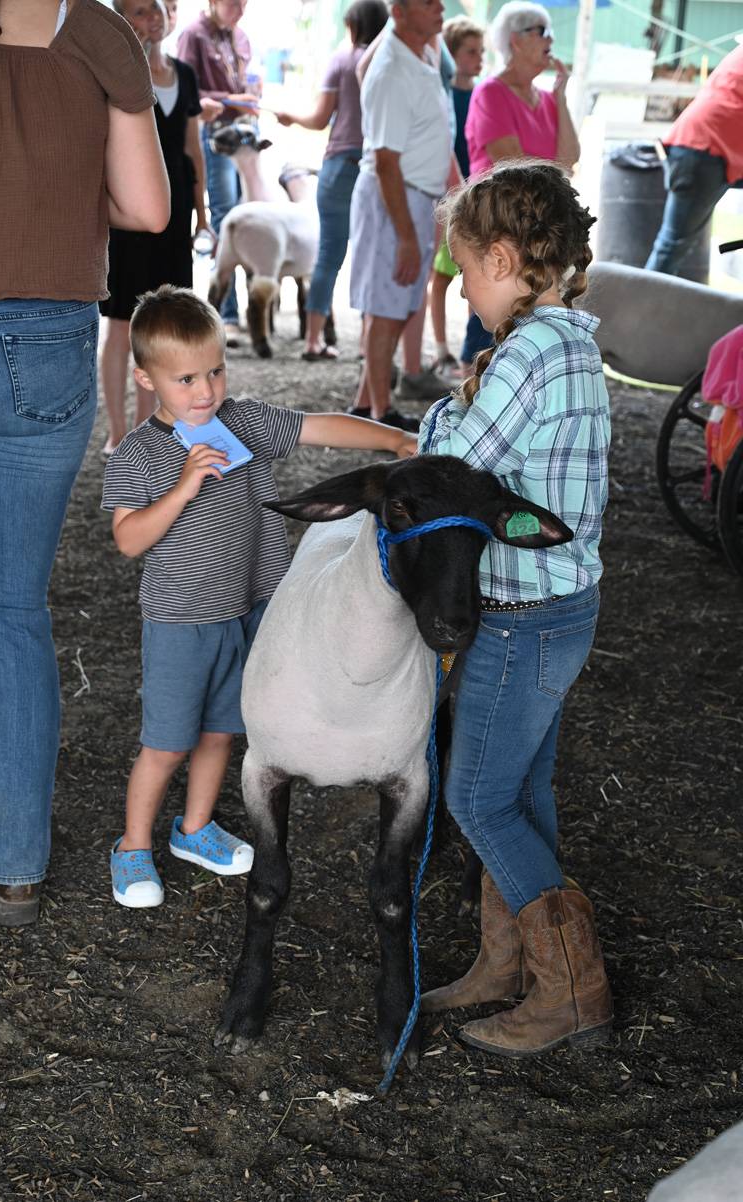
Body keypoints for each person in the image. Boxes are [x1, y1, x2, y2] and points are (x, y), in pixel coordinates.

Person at [0, 0, 170, 926]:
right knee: (10, 607)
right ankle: (12, 866)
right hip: (39, 336)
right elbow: (147, 207)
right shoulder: (98, 31)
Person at [101, 285, 416, 907]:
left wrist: (394, 442)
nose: (205, 391)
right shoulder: (138, 453)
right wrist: (183, 488)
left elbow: (319, 427)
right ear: (145, 378)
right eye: (185, 378)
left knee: (222, 732)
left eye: (215, 370)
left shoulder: (242, 420)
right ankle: (132, 845)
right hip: (180, 621)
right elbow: (128, 540)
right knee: (166, 743)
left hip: (246, 611)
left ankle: (194, 830)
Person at [418, 162, 613, 1056]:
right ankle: (508, 966)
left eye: (464, 268)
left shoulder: (531, 349)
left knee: (478, 796)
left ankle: (572, 991)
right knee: (523, 787)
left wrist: (429, 422)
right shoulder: (571, 339)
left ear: (501, 258)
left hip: (523, 609)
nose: (460, 286)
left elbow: (463, 458)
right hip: (565, 608)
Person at [100, 0, 215, 456]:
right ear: (118, 19)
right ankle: (116, 431)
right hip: (129, 208)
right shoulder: (112, 72)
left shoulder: (184, 74)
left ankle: (151, 428)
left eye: (154, 11)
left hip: (176, 206)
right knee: (122, 323)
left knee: (164, 321)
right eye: (135, 12)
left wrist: (203, 211)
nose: (149, 20)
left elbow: (194, 148)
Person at [459, 2, 580, 384]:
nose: (550, 39)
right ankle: (473, 396)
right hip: (499, 222)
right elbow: (510, 164)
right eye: (540, 31)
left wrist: (560, 97)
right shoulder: (491, 93)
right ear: (515, 40)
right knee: (493, 310)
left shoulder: (544, 99)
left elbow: (569, 157)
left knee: (529, 308)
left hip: (536, 224)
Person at [348, 0, 455, 432]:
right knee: (386, 309)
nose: (441, 7)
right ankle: (380, 415)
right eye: (428, 2)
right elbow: (387, 161)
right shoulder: (391, 69)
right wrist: (407, 236)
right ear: (400, 10)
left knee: (398, 305)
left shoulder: (422, 51)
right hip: (393, 196)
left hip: (414, 194)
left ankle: (364, 405)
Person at [275, 0, 389, 363]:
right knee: (371, 258)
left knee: (328, 255)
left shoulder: (342, 60)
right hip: (377, 167)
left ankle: (312, 341)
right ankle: (366, 346)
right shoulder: (390, 62)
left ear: (352, 24)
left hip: (341, 165)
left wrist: (291, 117)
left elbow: (320, 117)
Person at [178, 0, 259, 345]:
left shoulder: (240, 36)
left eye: (244, 3)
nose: (240, 8)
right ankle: (226, 313)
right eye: (232, 2)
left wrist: (251, 95)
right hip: (217, 136)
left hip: (246, 133)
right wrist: (231, 99)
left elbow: (249, 81)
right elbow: (185, 89)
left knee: (250, 215)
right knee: (227, 217)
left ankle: (254, 309)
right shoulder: (193, 35)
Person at [645, 44, 743, 278]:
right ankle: (642, 311)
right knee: (671, 247)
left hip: (711, 150)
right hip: (702, 150)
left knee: (671, 247)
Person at [428, 15, 483, 376]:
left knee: (475, 274)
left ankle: (472, 347)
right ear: (452, 52)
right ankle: (442, 347)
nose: (478, 59)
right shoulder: (444, 93)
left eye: (481, 52)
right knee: (443, 274)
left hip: (475, 192)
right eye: (471, 52)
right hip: (448, 191)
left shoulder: (482, 93)